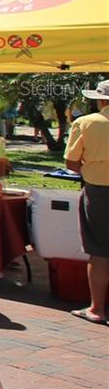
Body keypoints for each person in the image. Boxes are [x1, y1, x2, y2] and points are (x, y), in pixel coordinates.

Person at [65, 79, 109, 325]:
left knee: (100, 250)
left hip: (99, 191)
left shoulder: (86, 123)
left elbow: (72, 162)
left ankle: (97, 308)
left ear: (101, 100)